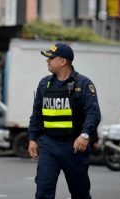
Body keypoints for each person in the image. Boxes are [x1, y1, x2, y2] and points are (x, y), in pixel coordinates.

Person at [28, 43, 101, 199]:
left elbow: (93, 113)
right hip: (49, 145)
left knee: (80, 192)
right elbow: (36, 114)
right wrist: (32, 139)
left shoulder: (83, 84)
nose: (47, 61)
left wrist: (85, 135)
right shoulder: (44, 84)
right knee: (43, 191)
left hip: (74, 147)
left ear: (63, 61)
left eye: (51, 58)